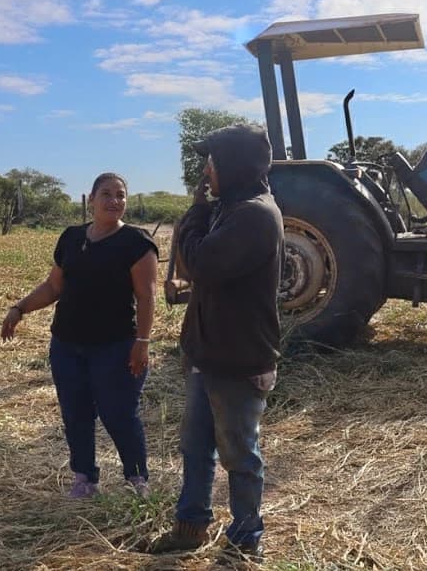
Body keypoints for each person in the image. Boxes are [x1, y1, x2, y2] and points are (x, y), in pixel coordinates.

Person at [151, 124, 284, 561]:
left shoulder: (254, 215)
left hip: (237, 358)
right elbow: (216, 277)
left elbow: (201, 264)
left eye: (212, 162)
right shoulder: (233, 209)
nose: (206, 171)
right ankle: (190, 526)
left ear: (234, 165)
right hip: (209, 354)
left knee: (240, 456)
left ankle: (246, 542)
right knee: (196, 447)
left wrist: (192, 215)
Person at [0, 172, 158, 498]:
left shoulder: (137, 243)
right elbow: (54, 286)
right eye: (107, 194)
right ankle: (85, 479)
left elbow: (147, 296)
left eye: (121, 195)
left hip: (116, 346)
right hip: (67, 345)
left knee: (118, 414)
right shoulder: (71, 238)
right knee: (76, 414)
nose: (115, 201)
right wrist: (19, 309)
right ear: (90, 200)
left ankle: (136, 479)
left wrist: (142, 343)